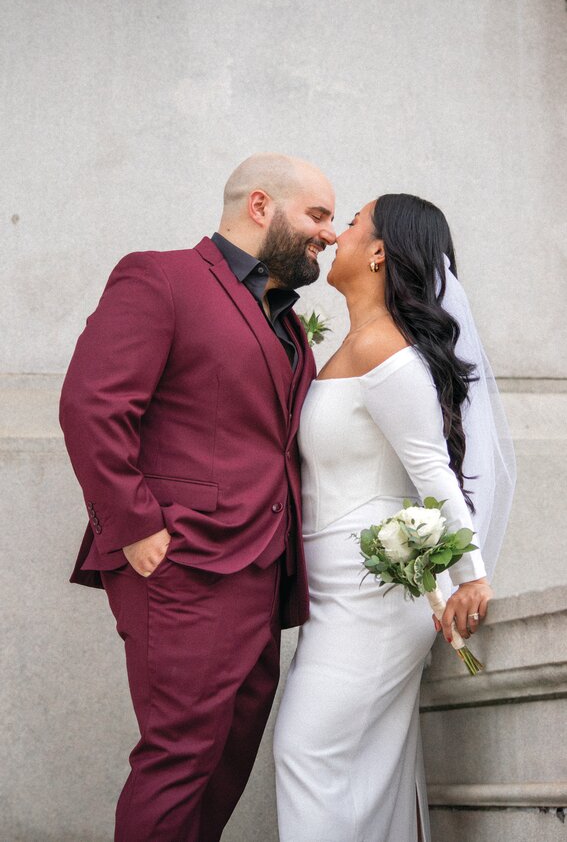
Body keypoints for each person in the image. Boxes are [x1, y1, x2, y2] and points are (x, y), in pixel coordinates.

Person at [59, 153, 336, 842]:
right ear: (261, 206)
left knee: (224, 760)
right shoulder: (161, 278)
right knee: (179, 756)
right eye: (318, 215)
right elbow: (92, 406)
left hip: (260, 570)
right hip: (182, 562)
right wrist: (136, 527)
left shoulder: (287, 320)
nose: (328, 234)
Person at [274, 193, 515, 842]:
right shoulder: (354, 344)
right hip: (333, 593)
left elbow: (432, 471)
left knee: (306, 754)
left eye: (351, 223)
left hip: (371, 598)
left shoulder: (386, 351)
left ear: (378, 250)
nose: (337, 235)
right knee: (356, 777)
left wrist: (471, 575)